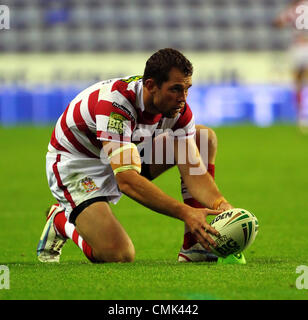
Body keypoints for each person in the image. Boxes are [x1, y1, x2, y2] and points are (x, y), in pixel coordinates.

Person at [37, 48, 245, 264]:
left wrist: (222, 204)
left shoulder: (177, 109)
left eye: (187, 89)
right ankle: (61, 220)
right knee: (118, 254)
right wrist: (186, 212)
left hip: (121, 154)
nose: (183, 98)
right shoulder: (116, 105)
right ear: (151, 86)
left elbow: (194, 171)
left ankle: (195, 245)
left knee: (203, 138)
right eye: (175, 89)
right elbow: (127, 181)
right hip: (78, 165)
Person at [274, 0, 308, 131]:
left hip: (298, 48)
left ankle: (301, 118)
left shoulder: (294, 8)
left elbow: (278, 22)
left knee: (298, 84)